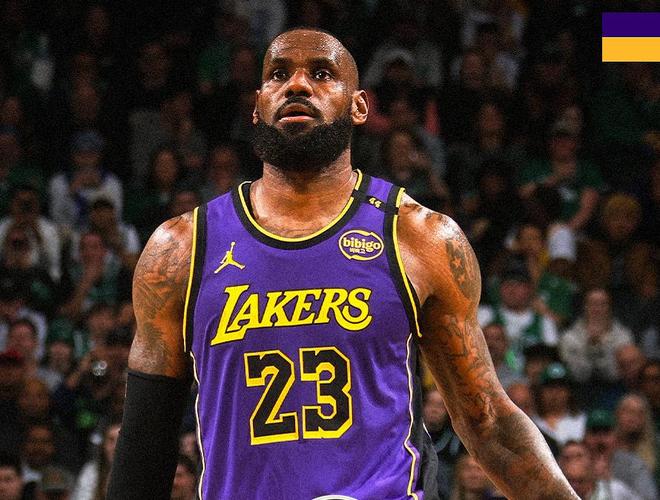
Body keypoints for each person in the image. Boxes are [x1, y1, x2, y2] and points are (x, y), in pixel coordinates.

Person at [107, 28, 577, 499]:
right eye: (278, 74)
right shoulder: (180, 249)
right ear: (257, 105)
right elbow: (145, 447)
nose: (297, 84)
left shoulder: (421, 238)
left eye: (321, 73)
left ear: (359, 107)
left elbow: (489, 423)